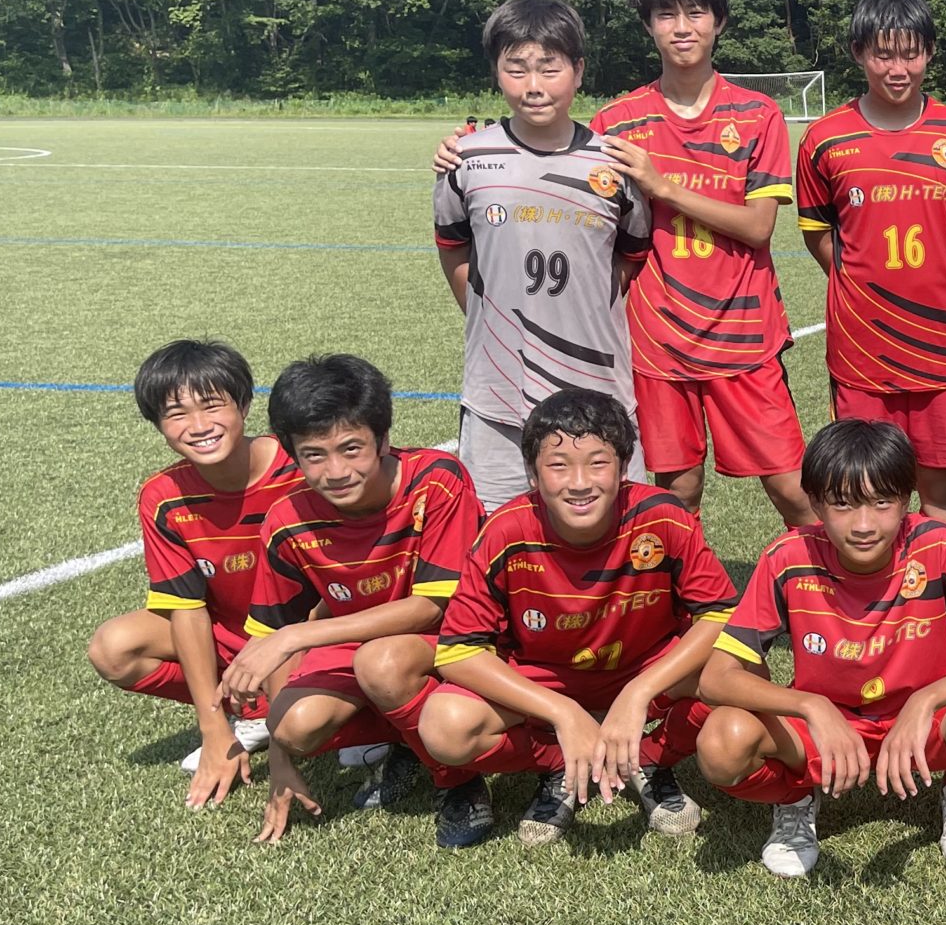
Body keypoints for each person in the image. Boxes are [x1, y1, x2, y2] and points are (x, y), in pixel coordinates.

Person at [363, 389, 734, 850]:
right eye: (558, 465)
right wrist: (562, 712)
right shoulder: (505, 532)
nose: (579, 483)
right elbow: (458, 651)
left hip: (645, 672)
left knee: (740, 674)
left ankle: (648, 758)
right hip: (544, 681)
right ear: (532, 473)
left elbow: (720, 615)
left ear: (623, 468)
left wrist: (639, 692)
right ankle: (560, 763)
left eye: (598, 463)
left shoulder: (663, 516)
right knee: (446, 725)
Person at [694, 421, 946, 877]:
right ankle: (794, 800)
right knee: (721, 742)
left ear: (906, 499)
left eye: (882, 502)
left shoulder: (938, 544)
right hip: (827, 728)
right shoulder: (787, 557)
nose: (863, 525)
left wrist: (926, 699)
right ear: (815, 503)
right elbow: (715, 678)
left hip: (927, 723)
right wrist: (812, 706)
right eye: (842, 504)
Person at [590, 0, 812, 527]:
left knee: (793, 488)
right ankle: (686, 585)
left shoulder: (758, 115)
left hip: (744, 335)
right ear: (648, 24)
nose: (682, 28)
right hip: (657, 340)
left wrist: (662, 187)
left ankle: (825, 583)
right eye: (666, 15)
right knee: (678, 493)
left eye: (696, 12)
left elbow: (758, 227)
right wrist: (466, 150)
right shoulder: (616, 123)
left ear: (719, 20)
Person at [225, 355, 478, 843]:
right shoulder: (287, 520)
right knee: (293, 724)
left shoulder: (436, 479)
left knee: (382, 663)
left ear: (382, 440)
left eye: (351, 448)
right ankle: (405, 738)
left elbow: (434, 606)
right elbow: (271, 636)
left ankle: (458, 782)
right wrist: (280, 756)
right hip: (360, 646)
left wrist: (299, 635)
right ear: (291, 454)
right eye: (314, 455)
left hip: (454, 641)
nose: (336, 470)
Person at [434, 0, 652, 512]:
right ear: (497, 72)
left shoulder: (616, 164)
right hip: (497, 392)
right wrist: (492, 313)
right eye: (516, 69)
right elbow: (454, 250)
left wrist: (580, 306)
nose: (533, 86)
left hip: (598, 384)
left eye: (550, 69)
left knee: (615, 526)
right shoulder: (465, 160)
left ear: (579, 71)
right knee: (495, 529)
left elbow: (630, 258)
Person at [794, 0, 946, 530]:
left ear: (930, 51)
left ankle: (941, 585)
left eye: (910, 53)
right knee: (866, 490)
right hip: (862, 351)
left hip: (944, 349)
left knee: (943, 493)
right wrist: (864, 286)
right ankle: (881, 586)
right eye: (883, 54)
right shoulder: (824, 139)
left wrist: (943, 296)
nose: (898, 69)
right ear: (858, 52)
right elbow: (818, 234)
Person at [87, 340, 298, 803]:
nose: (199, 426)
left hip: (304, 634)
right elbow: (186, 608)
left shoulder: (302, 466)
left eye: (212, 405)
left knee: (315, 720)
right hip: (231, 635)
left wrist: (276, 647)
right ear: (157, 424)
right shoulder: (163, 496)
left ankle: (339, 717)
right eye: (176, 413)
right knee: (113, 647)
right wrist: (212, 726)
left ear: (244, 404)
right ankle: (250, 713)